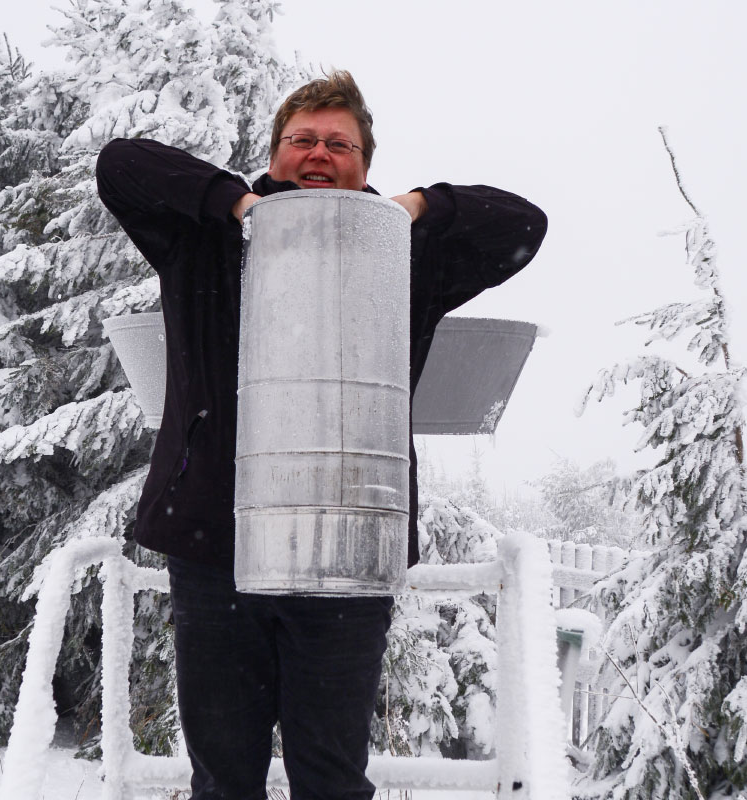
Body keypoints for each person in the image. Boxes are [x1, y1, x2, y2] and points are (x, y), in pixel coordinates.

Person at [96, 70, 546, 799]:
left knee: (332, 778)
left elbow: (523, 224)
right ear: (273, 154)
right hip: (216, 548)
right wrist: (238, 207)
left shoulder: (404, 254)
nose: (318, 153)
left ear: (365, 164)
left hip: (350, 551)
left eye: (340, 144)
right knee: (223, 777)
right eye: (300, 139)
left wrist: (417, 208)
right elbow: (121, 164)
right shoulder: (201, 238)